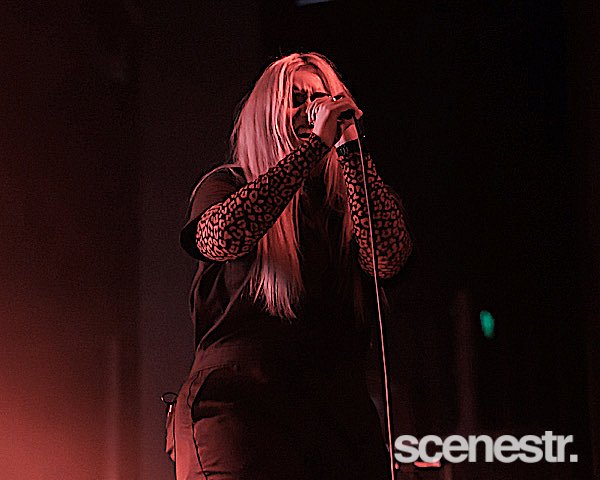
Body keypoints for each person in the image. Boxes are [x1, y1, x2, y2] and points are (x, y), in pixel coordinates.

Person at [168, 51, 413, 480]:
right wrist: (313, 147)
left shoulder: (346, 206)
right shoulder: (228, 183)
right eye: (296, 99)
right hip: (240, 406)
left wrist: (350, 151)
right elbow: (222, 237)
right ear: (267, 114)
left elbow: (389, 257)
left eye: (321, 98)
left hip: (336, 413)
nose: (312, 109)